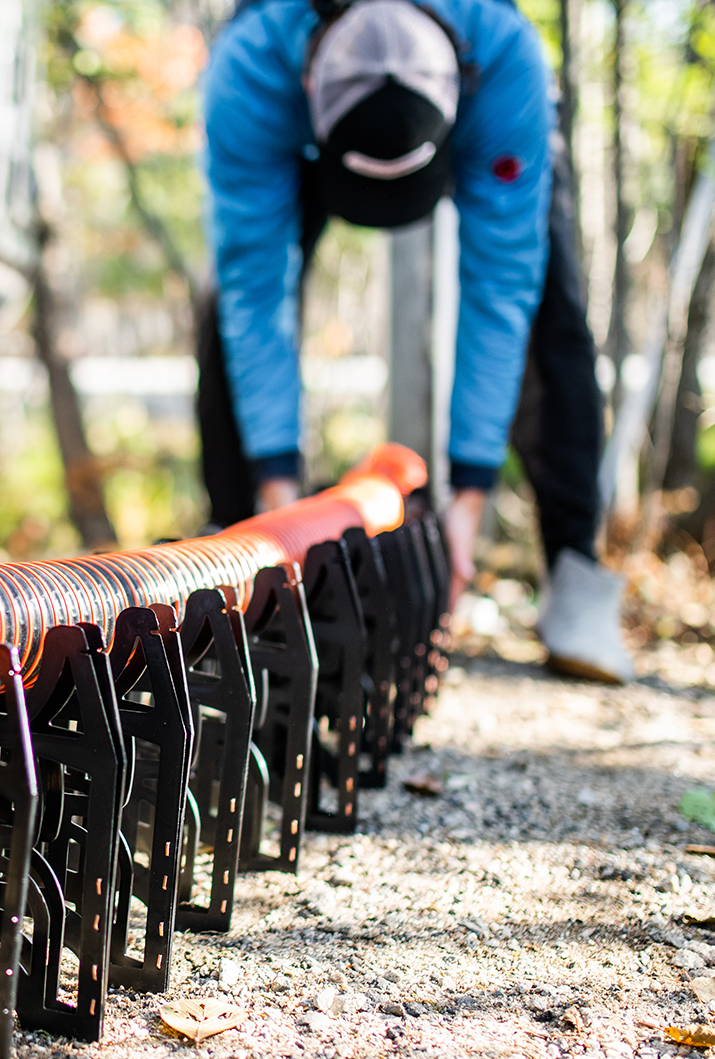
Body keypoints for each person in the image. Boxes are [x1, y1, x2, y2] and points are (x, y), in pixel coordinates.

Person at [196, 0, 634, 683]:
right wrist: (279, 505)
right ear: (311, 86)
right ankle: (233, 575)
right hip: (294, 110)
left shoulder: (503, 59)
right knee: (224, 302)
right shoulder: (252, 69)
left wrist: (468, 504)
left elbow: (500, 290)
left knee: (551, 298)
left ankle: (575, 579)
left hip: (480, 101)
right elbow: (257, 291)